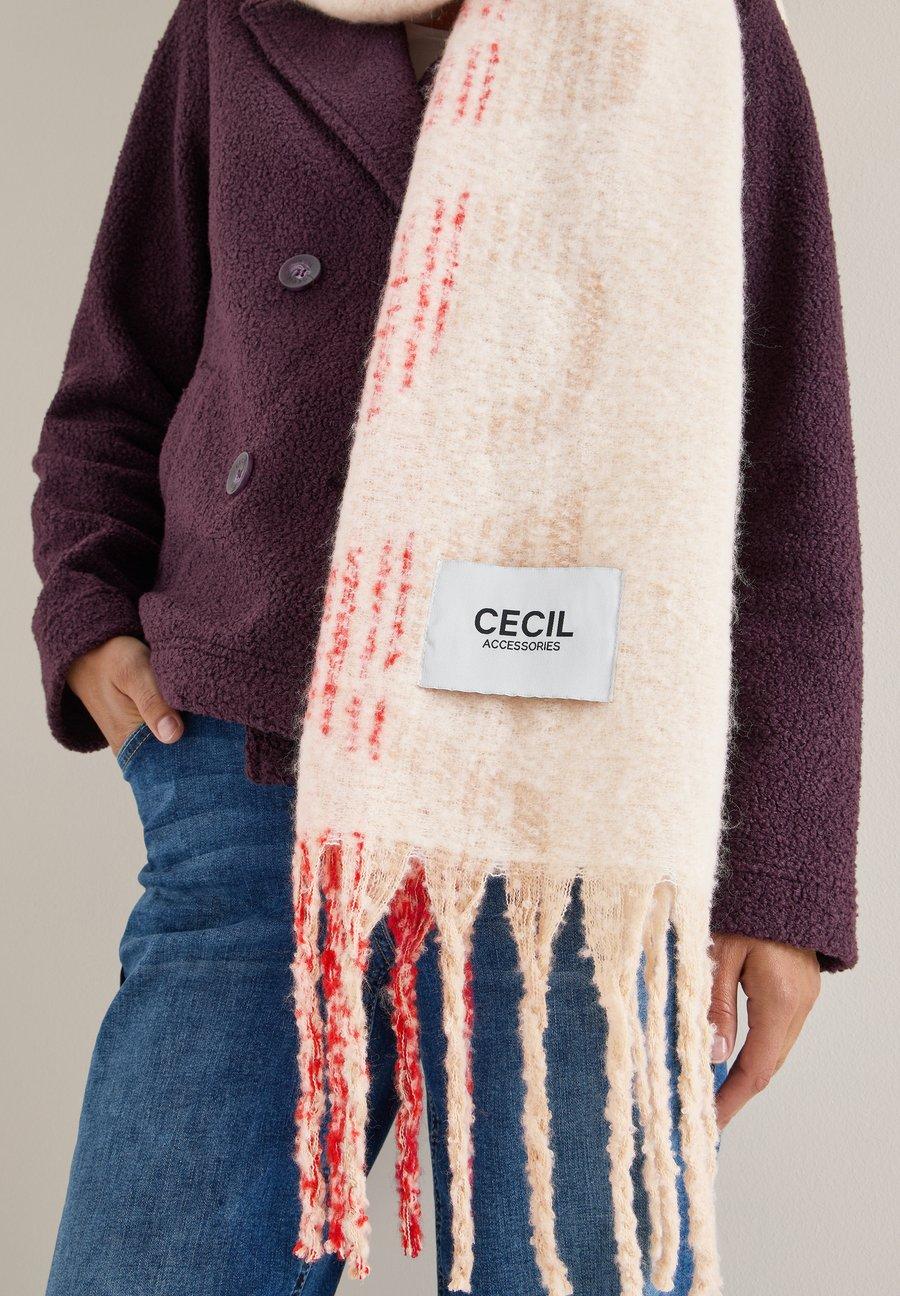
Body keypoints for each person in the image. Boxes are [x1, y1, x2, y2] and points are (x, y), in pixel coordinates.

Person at [31, 2, 861, 1294]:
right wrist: (88, 612)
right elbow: (120, 370)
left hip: (587, 805)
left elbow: (790, 462)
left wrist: (786, 876)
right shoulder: (232, 21)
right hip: (256, 776)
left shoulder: (697, 25)